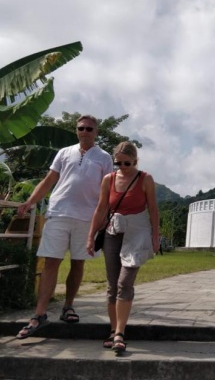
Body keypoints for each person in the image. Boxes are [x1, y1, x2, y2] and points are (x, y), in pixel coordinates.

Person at [16, 115, 113, 340]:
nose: (85, 131)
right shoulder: (64, 152)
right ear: (76, 130)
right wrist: (30, 201)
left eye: (89, 128)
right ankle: (39, 314)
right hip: (59, 212)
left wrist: (105, 218)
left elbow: (107, 190)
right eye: (81, 128)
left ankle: (68, 306)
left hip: (87, 218)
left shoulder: (104, 157)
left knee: (78, 263)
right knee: (51, 261)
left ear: (96, 131)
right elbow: (49, 180)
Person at [86, 141, 159, 353]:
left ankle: (120, 333)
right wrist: (91, 236)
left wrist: (155, 236)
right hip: (113, 231)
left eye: (127, 163)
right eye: (118, 163)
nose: (122, 167)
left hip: (137, 231)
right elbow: (101, 208)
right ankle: (114, 330)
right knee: (112, 285)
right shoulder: (109, 179)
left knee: (124, 282)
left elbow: (153, 209)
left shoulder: (145, 179)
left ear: (135, 161)